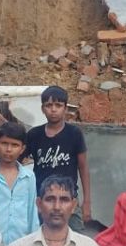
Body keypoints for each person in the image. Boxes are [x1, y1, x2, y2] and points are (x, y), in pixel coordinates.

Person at [25, 86, 92, 225]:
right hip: (43, 200)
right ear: (43, 109)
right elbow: (17, 163)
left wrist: (87, 201)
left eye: (58, 105)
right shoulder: (34, 135)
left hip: (68, 198)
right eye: (49, 105)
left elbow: (83, 168)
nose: (53, 109)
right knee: (42, 238)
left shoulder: (74, 134)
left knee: (76, 239)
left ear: (66, 108)